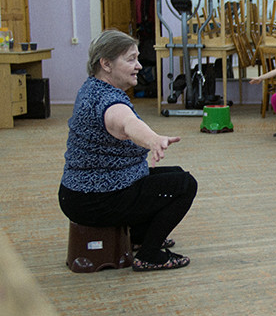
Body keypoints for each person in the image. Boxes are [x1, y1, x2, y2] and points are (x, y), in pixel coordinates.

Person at [58, 30, 196, 272]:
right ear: (106, 64)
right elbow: (127, 123)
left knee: (174, 173)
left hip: (79, 194)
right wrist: (153, 139)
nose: (139, 66)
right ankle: (150, 254)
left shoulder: (92, 87)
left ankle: (140, 236)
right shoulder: (110, 102)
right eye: (131, 59)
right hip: (96, 199)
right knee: (185, 184)